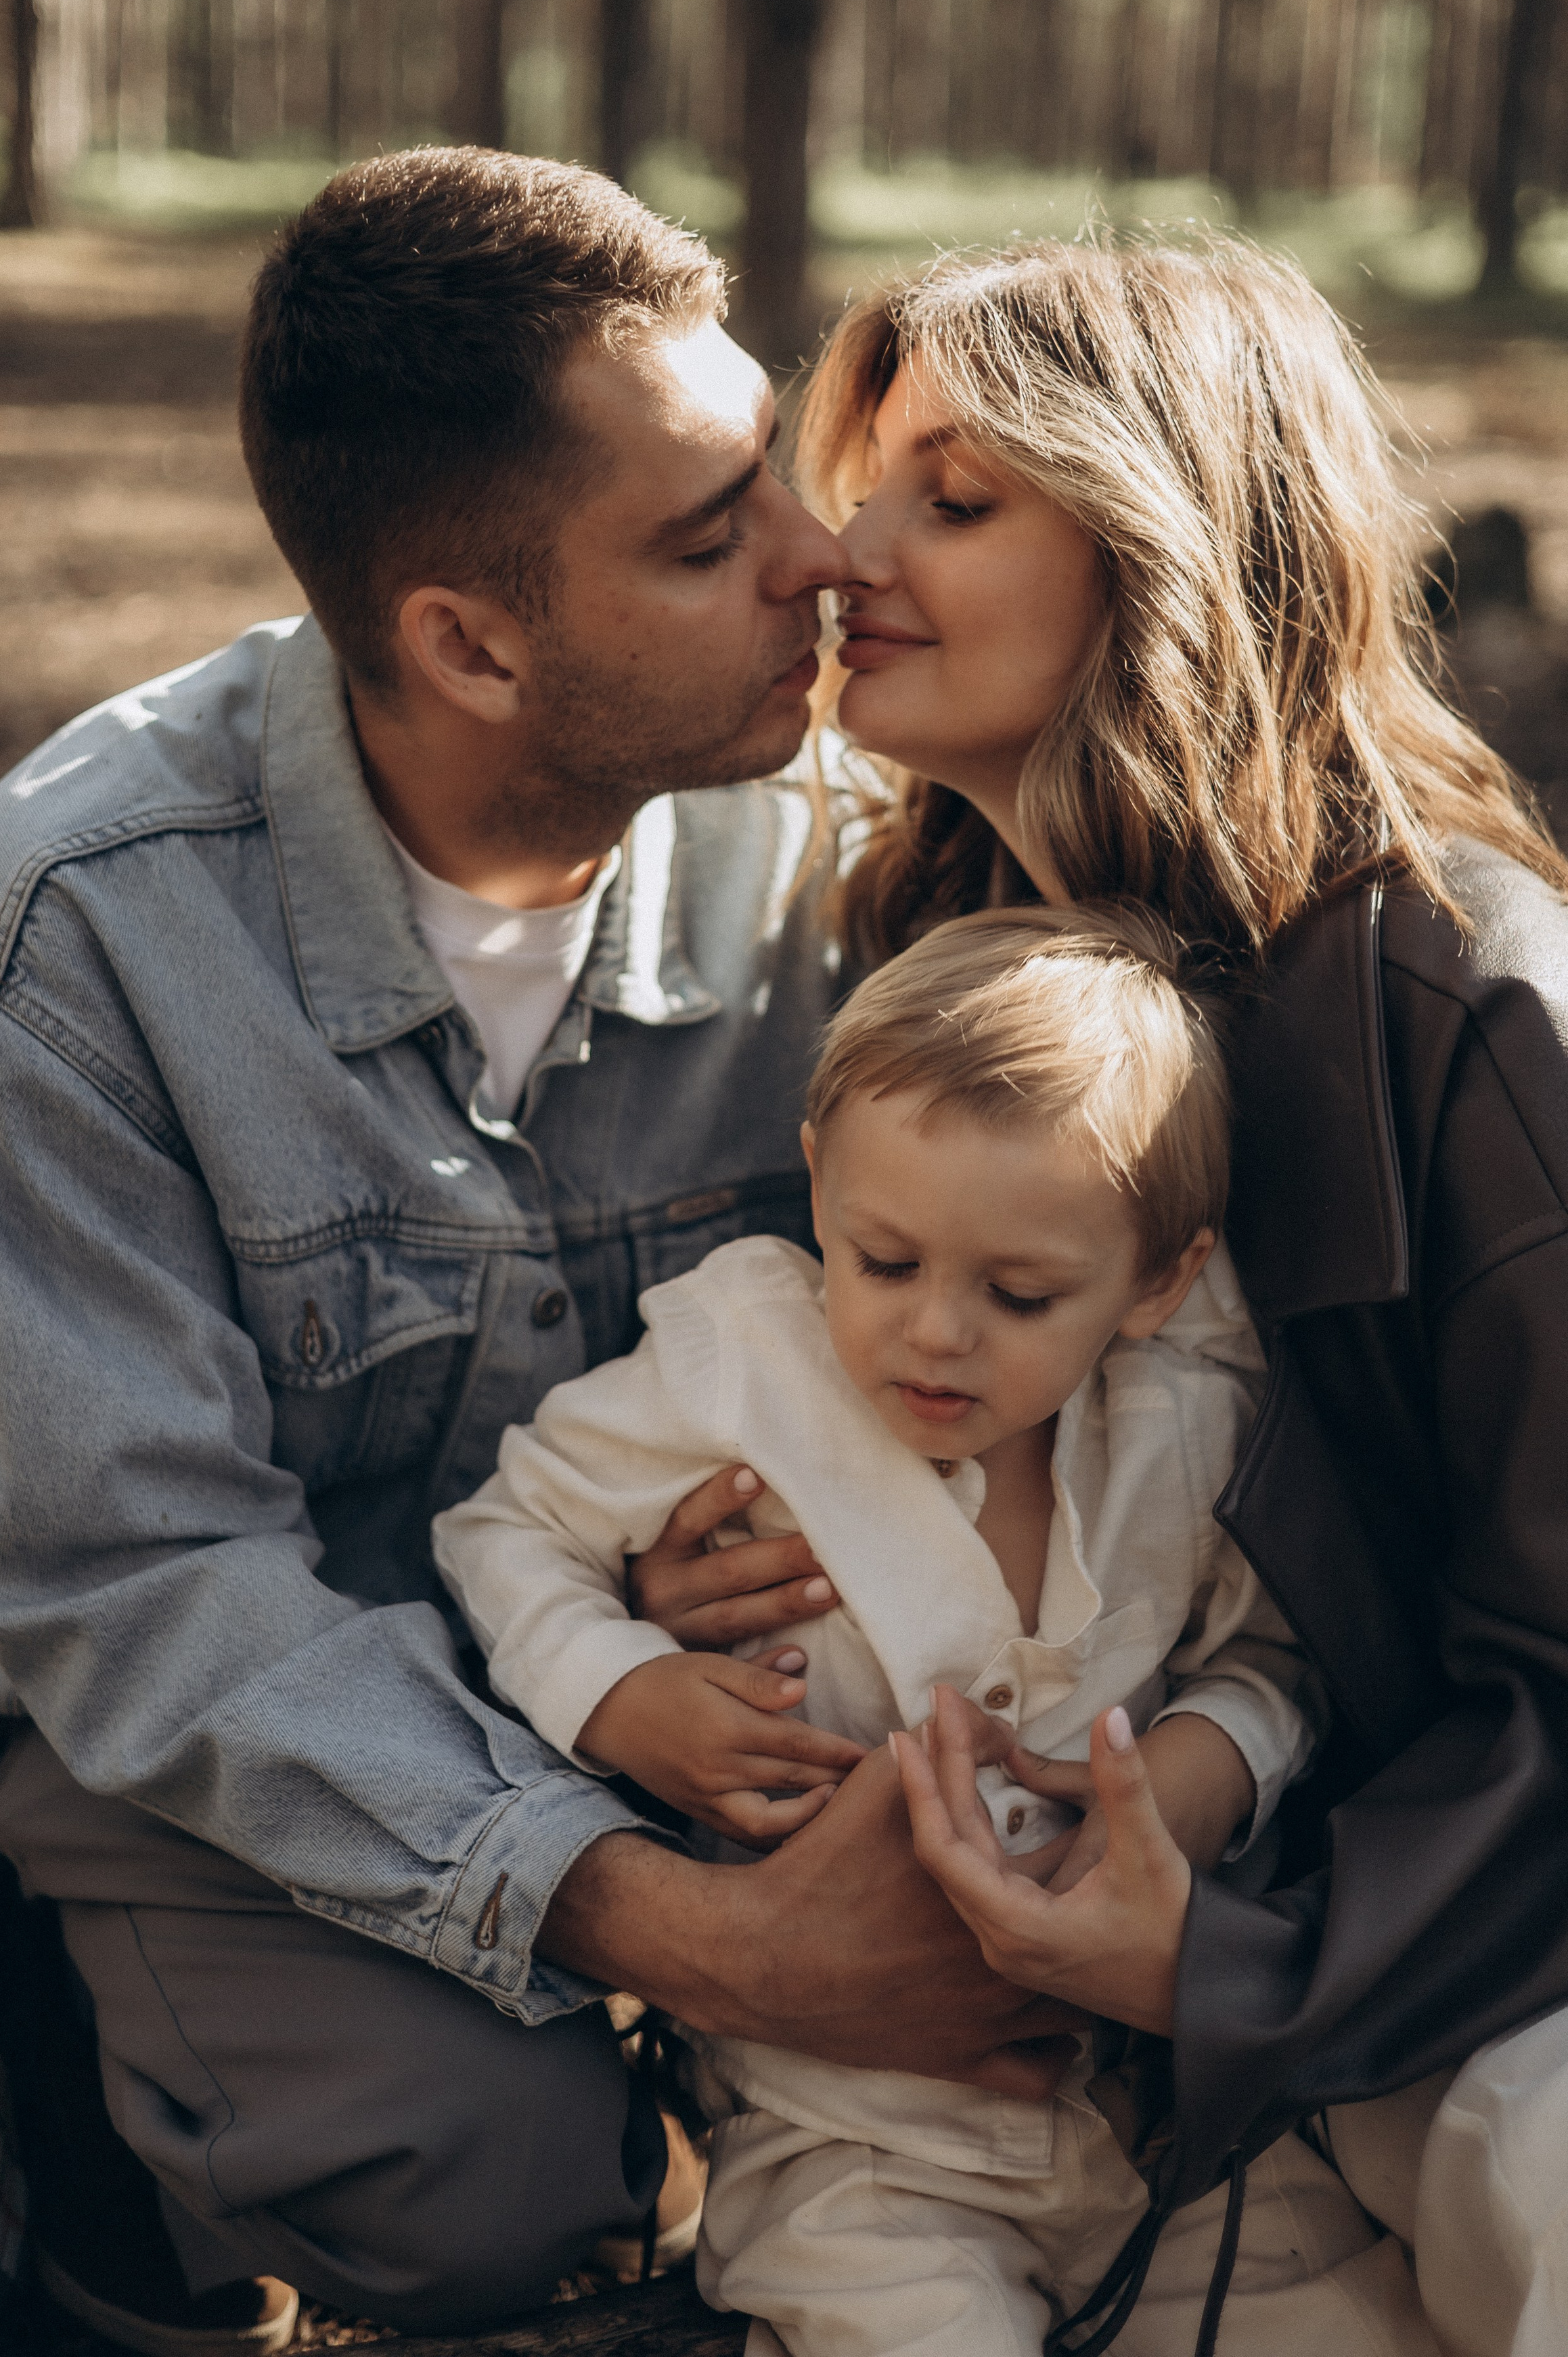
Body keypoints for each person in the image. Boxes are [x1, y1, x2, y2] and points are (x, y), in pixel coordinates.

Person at [0, 149, 1085, 2357]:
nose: (826, 561)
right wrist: (696, 1942)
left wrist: (688, 1555)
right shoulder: (78, 929)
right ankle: (99, 2151)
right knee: (495, 2173)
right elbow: (146, 1593)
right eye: (714, 537)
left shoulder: (839, 867)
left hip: (639, 1665)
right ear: (469, 641)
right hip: (196, 1700)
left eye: (771, 474)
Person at [629, 234, 1568, 2357]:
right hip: (1081, 2062)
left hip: (1459, 1981)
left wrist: (1217, 1967)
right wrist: (765, 1548)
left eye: (953, 502)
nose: (842, 553)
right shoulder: (939, 955)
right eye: (866, 482)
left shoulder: (1479, 1017)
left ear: (1168, 554)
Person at [434, 905, 1435, 2355]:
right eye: (882, 1260)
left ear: (1156, 1281)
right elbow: (503, 1529)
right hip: (849, 2135)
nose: (932, 1334)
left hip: (1160, 2118)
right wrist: (622, 1691)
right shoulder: (743, 1365)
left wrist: (1202, 1768)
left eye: (1017, 1295)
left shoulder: (1186, 1426)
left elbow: (1268, 1658)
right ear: (816, 1190)